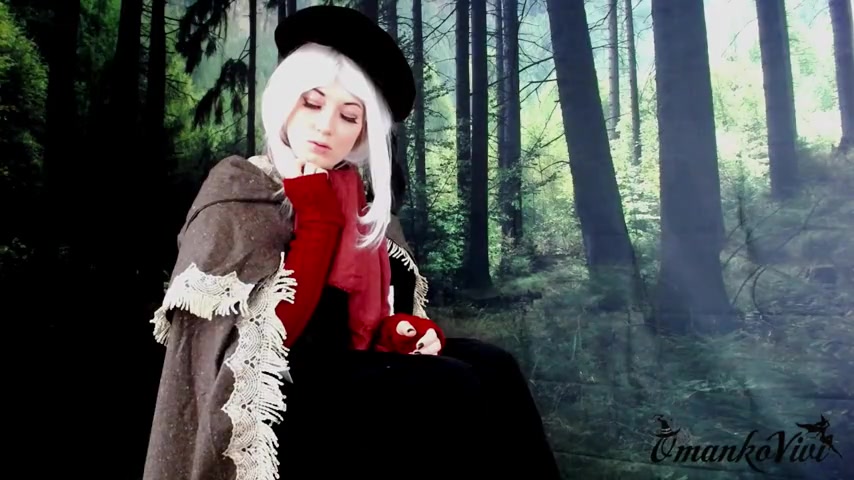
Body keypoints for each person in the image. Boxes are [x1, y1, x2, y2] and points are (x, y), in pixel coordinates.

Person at [142, 6, 560, 480]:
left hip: (347, 371)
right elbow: (269, 341)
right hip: (278, 392)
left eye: (348, 116)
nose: (326, 127)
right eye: (312, 103)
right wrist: (316, 218)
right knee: (451, 384)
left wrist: (402, 331)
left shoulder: (356, 200)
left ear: (363, 131)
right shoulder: (240, 187)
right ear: (285, 100)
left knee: (493, 364)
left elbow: (366, 319)